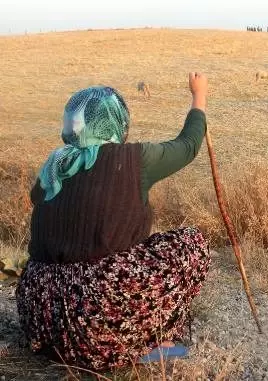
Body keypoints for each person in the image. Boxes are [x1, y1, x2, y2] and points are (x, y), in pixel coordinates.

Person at [16, 72, 211, 370]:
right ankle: (145, 340)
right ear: (116, 120)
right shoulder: (133, 159)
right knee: (190, 244)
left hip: (40, 317)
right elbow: (187, 146)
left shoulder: (54, 165)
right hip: (93, 322)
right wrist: (199, 96)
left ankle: (76, 346)